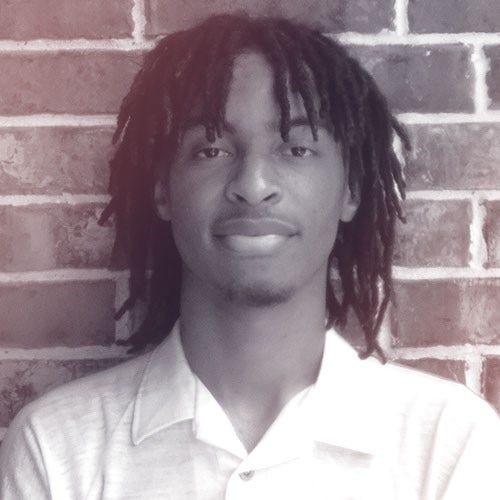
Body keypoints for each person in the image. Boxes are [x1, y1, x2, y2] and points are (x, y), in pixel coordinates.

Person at [1, 14, 499, 499]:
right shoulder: (57, 448)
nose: (253, 186)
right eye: (212, 149)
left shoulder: (449, 445)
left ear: (350, 191)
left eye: (296, 148)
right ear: (162, 190)